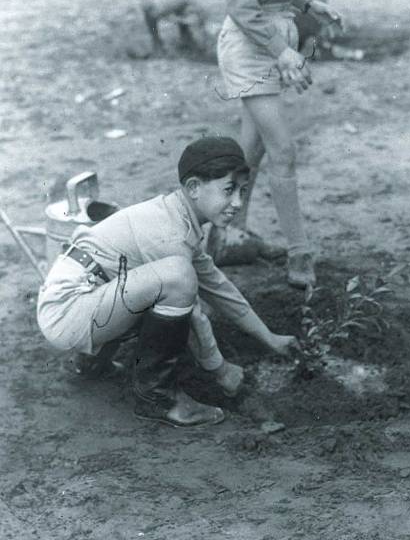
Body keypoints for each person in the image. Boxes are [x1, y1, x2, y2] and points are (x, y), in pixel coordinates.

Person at [37, 137, 297, 428]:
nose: (237, 202)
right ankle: (157, 399)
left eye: (242, 191)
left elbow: (219, 287)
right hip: (67, 312)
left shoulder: (179, 218)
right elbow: (194, 316)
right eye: (228, 190)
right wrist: (220, 369)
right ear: (194, 187)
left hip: (88, 300)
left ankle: (92, 362)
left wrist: (269, 337)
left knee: (170, 281)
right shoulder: (167, 233)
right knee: (177, 279)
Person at [216, 0, 342, 289]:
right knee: (283, 151)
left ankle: (227, 235)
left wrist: (310, 5)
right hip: (252, 48)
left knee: (250, 152)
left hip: (270, 38)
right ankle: (299, 252)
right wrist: (284, 50)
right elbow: (242, 6)